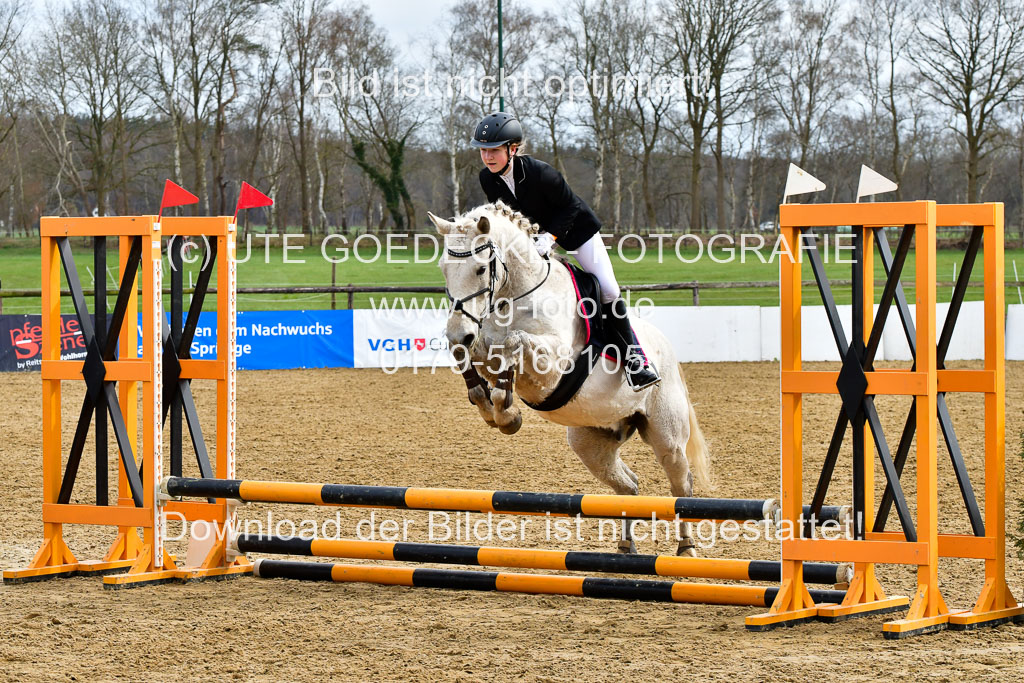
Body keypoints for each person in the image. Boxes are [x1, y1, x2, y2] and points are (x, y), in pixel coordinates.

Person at [471, 112, 660, 391]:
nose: (487, 156)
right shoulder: (487, 179)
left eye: (494, 150)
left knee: (608, 291)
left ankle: (635, 359)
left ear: (512, 149)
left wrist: (550, 238)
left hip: (578, 233)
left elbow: (570, 207)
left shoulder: (541, 172)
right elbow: (506, 216)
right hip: (534, 241)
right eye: (483, 150)